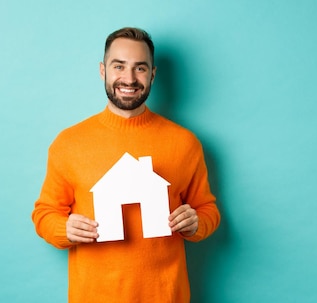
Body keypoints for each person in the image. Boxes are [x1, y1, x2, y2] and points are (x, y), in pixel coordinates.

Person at [32, 27, 220, 302]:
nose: (129, 78)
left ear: (153, 75)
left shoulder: (185, 143)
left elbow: (207, 209)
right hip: (94, 295)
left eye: (140, 68)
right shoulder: (69, 143)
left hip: (165, 295)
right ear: (102, 70)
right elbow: (45, 214)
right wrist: (64, 228)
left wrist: (196, 223)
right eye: (119, 66)